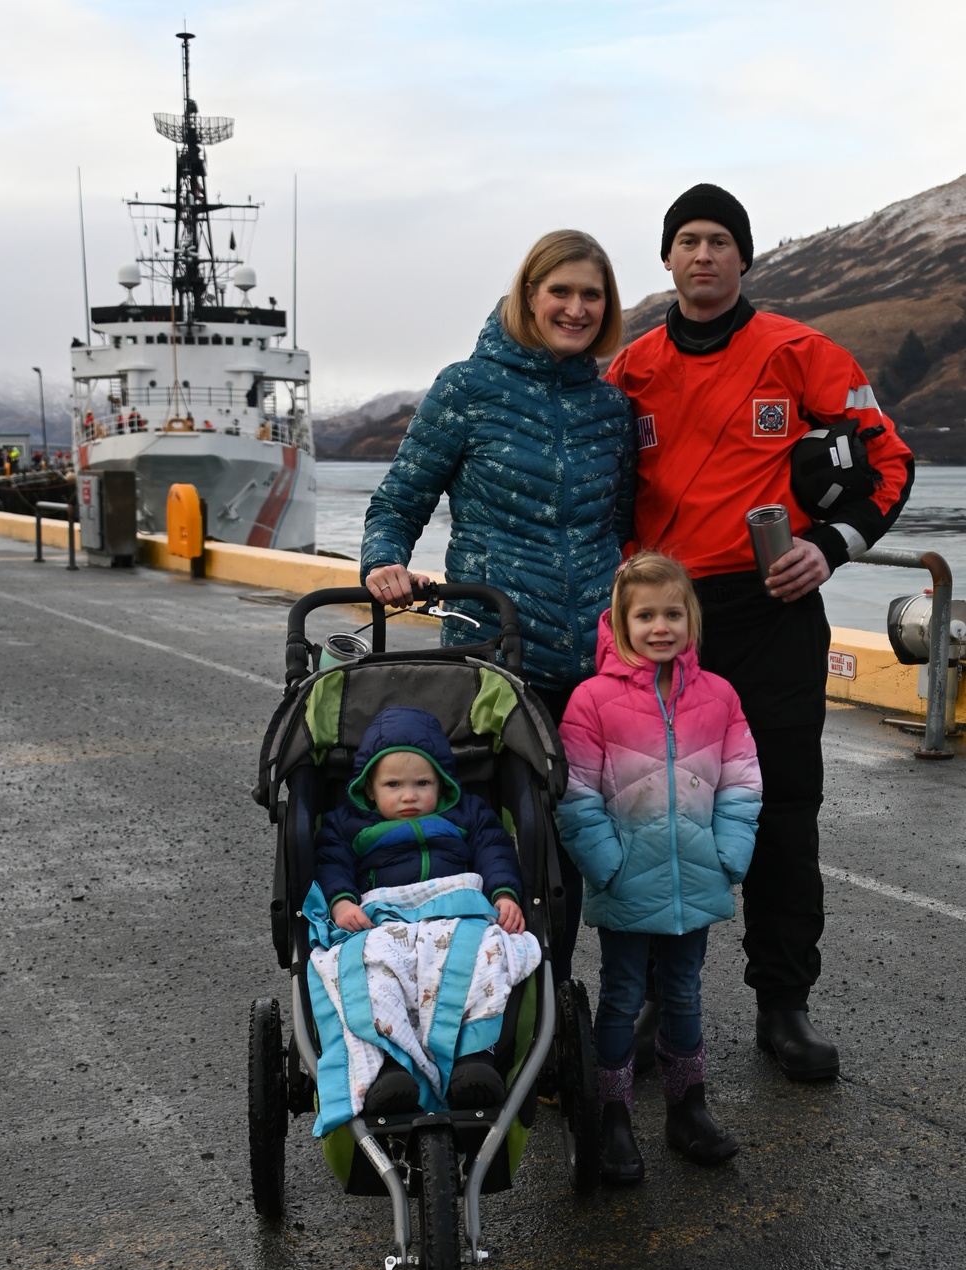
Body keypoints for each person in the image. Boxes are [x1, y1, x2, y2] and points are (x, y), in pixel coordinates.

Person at [605, 184, 915, 1082]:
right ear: (666, 260)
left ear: (745, 258)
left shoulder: (800, 351)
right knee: (657, 816)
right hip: (664, 622)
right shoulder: (631, 368)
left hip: (772, 613)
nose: (703, 256)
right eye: (687, 242)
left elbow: (887, 458)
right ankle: (663, 999)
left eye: (720, 242)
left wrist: (829, 546)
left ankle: (784, 1006)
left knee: (782, 816)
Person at [360, 230, 637, 977]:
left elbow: (619, 526)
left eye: (592, 295)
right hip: (497, 652)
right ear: (528, 295)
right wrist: (385, 563)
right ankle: (506, 1002)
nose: (576, 308)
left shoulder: (612, 409)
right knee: (513, 839)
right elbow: (398, 501)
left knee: (595, 835)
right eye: (562, 291)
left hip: (601, 661)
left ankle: (589, 1014)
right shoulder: (467, 388)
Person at [556, 553, 761, 1182]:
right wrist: (607, 866)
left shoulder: (719, 696)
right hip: (626, 880)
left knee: (683, 994)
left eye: (673, 613)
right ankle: (611, 1115)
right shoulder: (591, 701)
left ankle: (687, 1109)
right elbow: (576, 795)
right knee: (620, 998)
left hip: (697, 876)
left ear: (691, 618)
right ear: (621, 622)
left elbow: (742, 781)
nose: (661, 626)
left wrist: (730, 854)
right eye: (645, 615)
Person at [312, 706, 538, 1120]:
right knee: (373, 972)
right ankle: (392, 1069)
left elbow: (495, 850)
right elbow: (331, 863)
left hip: (459, 916)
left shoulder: (466, 814)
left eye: (422, 783)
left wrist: (505, 894)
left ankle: (475, 1059)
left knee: (484, 961)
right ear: (369, 788)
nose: (409, 795)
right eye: (393, 784)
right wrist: (342, 900)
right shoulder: (348, 824)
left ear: (443, 783)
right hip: (385, 919)